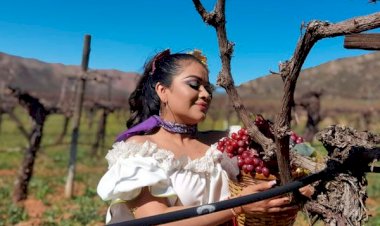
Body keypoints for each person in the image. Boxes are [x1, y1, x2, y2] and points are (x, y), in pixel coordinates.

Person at [97, 49, 310, 225]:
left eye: (207, 87)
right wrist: (237, 206)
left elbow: (288, 150)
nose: (206, 94)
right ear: (163, 91)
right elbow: (156, 221)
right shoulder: (141, 150)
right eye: (194, 85)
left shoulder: (227, 141)